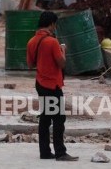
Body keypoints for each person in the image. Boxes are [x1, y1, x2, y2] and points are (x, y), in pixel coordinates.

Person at [26, 11, 78, 161]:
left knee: (45, 118)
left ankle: (45, 152)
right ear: (51, 24)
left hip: (40, 83)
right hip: (52, 85)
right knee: (59, 119)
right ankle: (60, 152)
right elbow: (62, 63)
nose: (55, 27)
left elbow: (30, 64)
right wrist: (63, 50)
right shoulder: (52, 42)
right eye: (55, 24)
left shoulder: (31, 41)